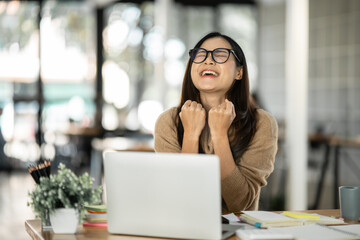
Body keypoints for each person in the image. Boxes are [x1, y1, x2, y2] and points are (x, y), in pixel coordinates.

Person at [154, 32, 278, 213]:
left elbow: (240, 203)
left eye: (220, 55)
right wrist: (190, 134)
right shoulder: (169, 121)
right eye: (201, 54)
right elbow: (180, 197)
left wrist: (219, 135)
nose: (208, 61)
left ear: (239, 72)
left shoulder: (262, 123)